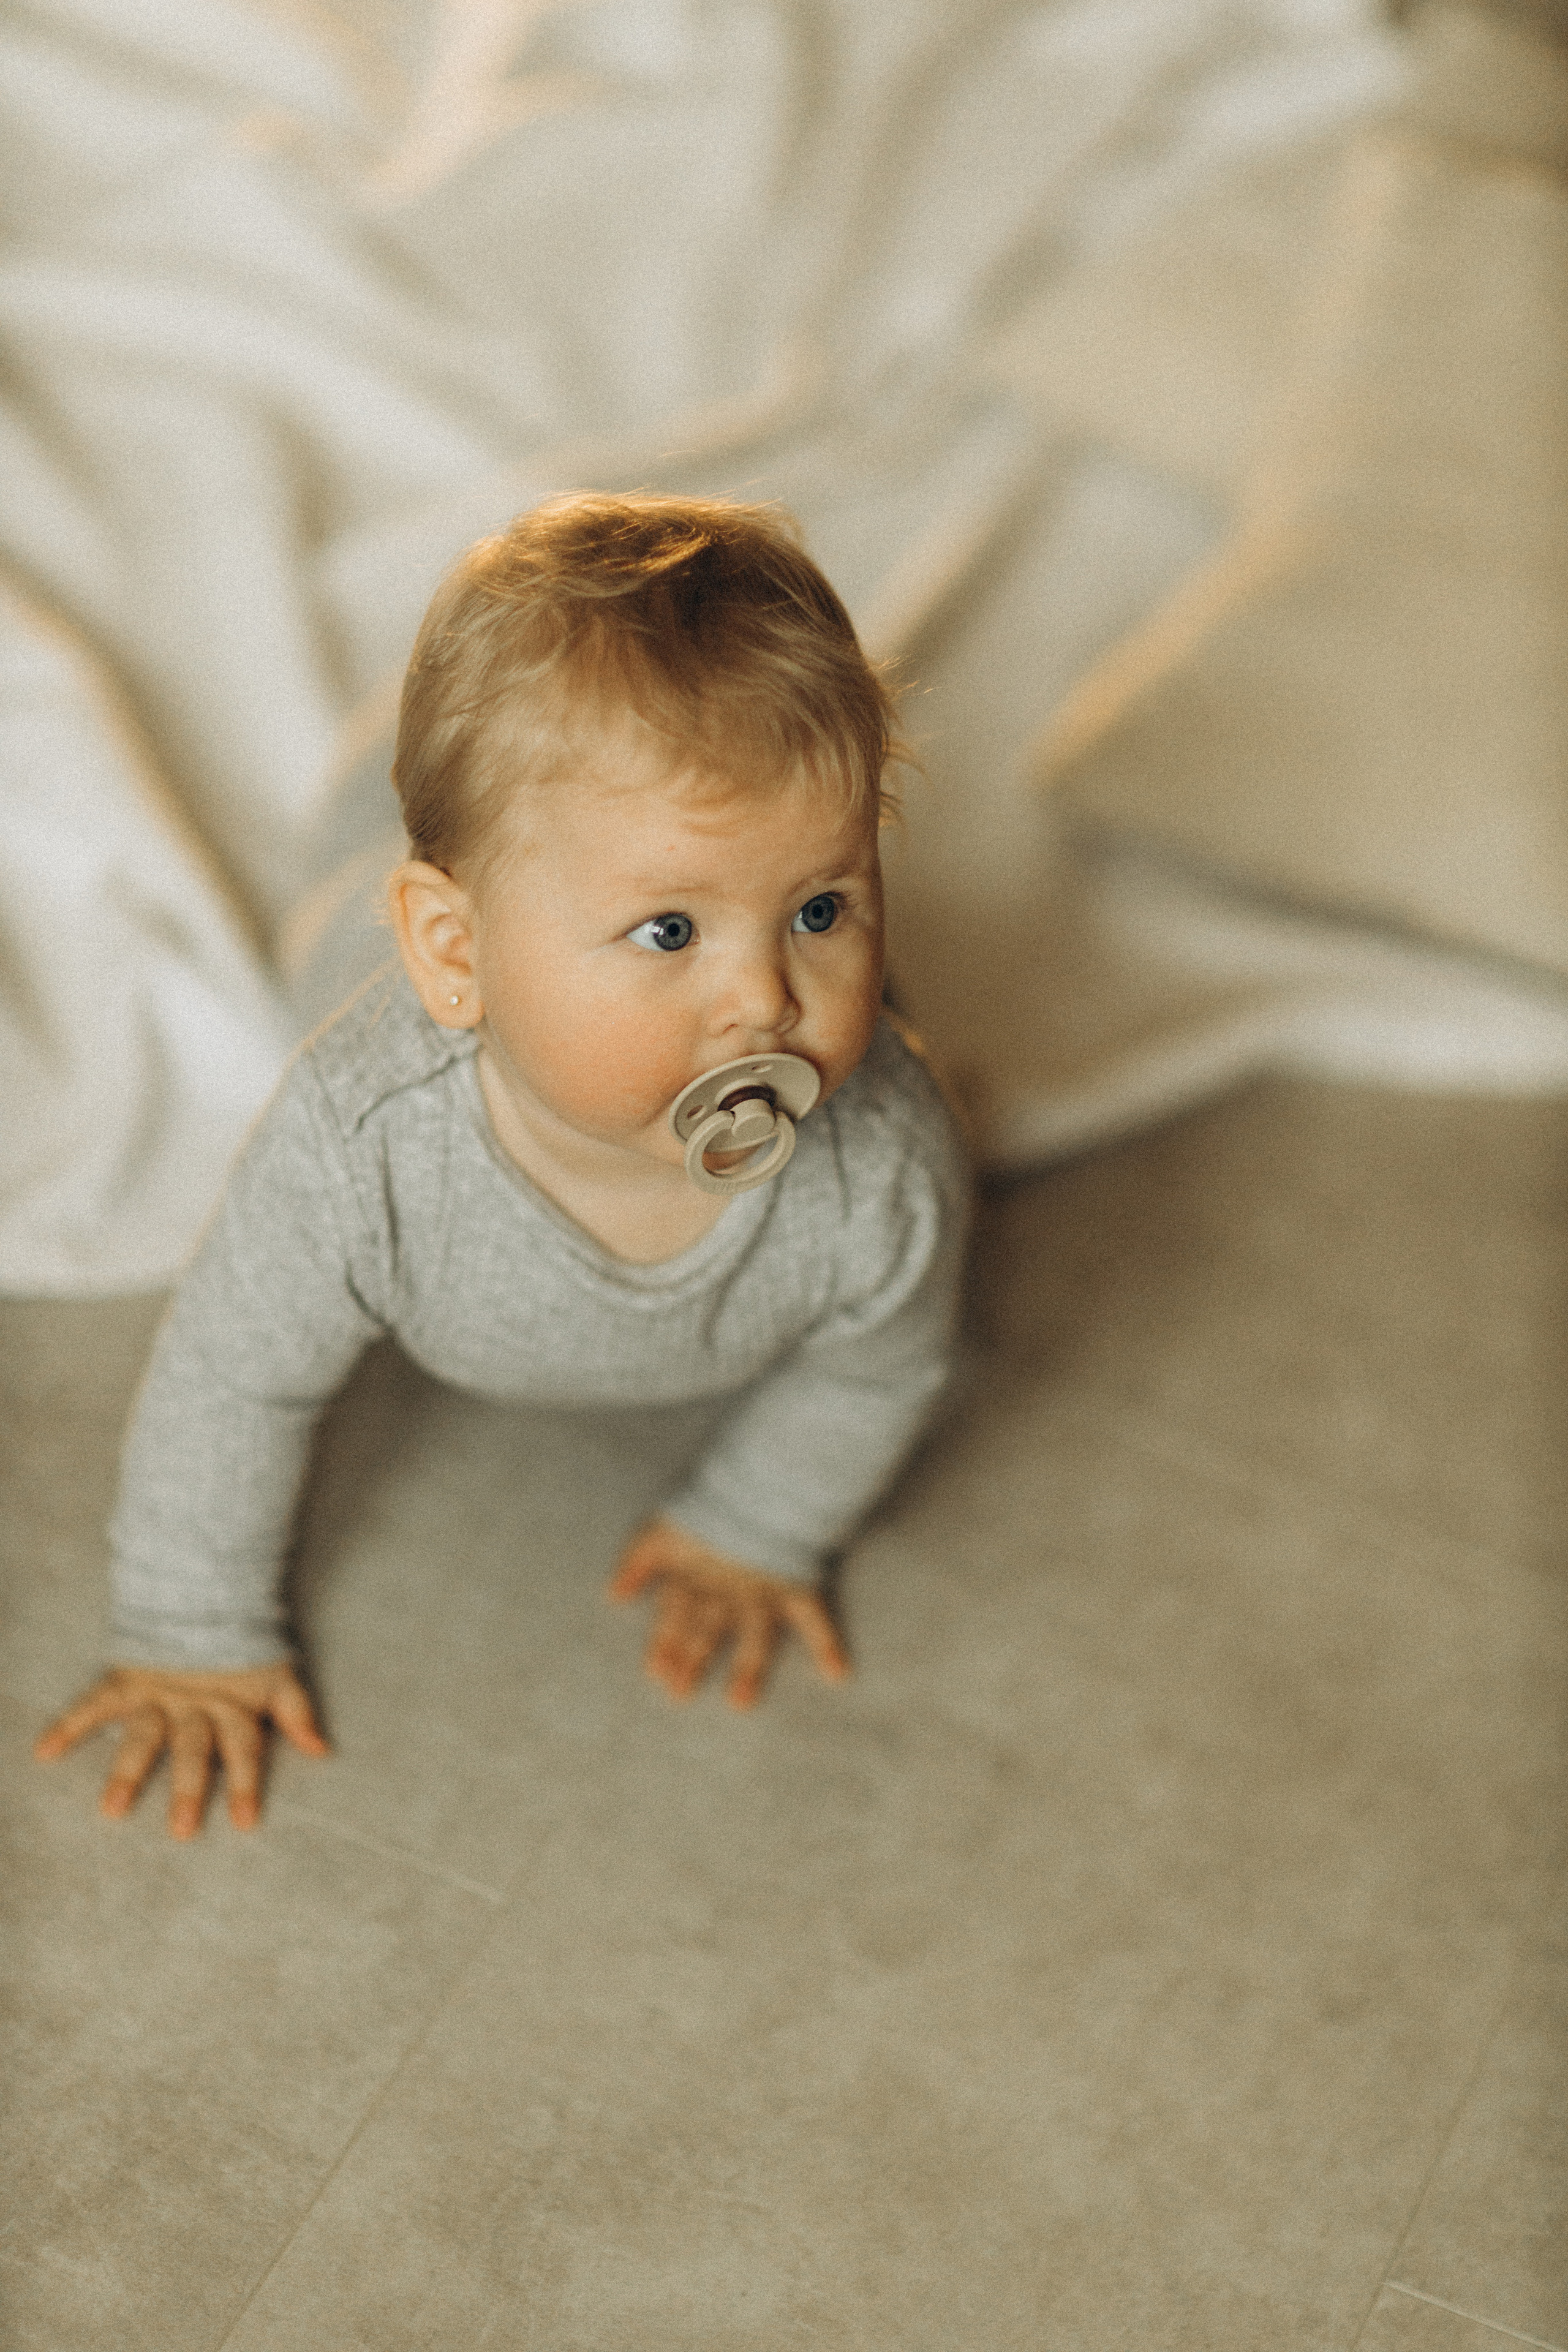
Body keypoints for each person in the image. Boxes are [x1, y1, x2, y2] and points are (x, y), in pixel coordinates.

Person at [34, 494, 969, 1839]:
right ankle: (393, 795)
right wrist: (189, 1627)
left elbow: (882, 1361)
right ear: (457, 955)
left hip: (574, 937)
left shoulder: (879, 1154)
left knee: (808, 938)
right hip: (375, 959)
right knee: (356, 887)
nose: (763, 1003)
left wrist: (755, 1522)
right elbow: (233, 1377)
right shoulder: (362, 1148)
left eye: (821, 908)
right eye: (667, 934)